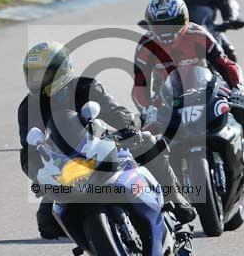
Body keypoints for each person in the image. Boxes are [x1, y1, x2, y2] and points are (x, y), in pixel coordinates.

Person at [19, 41, 196, 239]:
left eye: (44, 74)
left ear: (63, 69)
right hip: (65, 165)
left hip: (100, 144)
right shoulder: (28, 107)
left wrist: (128, 129)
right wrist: (38, 176)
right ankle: (96, 235)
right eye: (32, 74)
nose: (37, 80)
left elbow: (115, 110)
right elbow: (28, 150)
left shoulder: (85, 86)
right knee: (47, 225)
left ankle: (175, 196)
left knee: (147, 141)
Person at [132, 0, 244, 171]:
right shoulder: (146, 45)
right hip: (166, 97)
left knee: (242, 106)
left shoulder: (197, 33)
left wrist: (238, 88)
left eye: (172, 23)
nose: (167, 31)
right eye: (160, 26)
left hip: (205, 87)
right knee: (144, 135)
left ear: (184, 19)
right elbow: (139, 85)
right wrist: (147, 109)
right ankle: (162, 184)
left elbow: (226, 64)